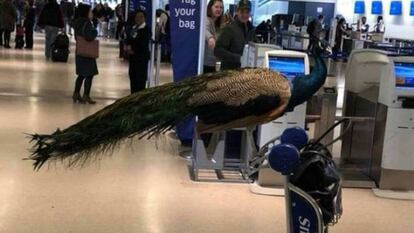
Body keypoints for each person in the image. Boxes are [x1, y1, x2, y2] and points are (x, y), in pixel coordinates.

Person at [214, 0, 256, 70]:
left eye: (247, 12)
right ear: (237, 12)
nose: (245, 15)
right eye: (242, 12)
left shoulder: (251, 30)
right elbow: (218, 51)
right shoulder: (229, 29)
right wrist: (238, 58)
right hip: (229, 74)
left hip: (245, 73)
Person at [72, 3, 99, 104]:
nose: (91, 13)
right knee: (89, 74)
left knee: (81, 74)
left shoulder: (77, 22)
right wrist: (95, 32)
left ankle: (76, 93)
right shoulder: (87, 23)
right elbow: (89, 36)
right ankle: (86, 95)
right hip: (87, 53)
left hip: (80, 51)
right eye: (90, 11)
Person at [127, 10, 151, 94]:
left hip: (141, 58)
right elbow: (129, 39)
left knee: (140, 79)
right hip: (133, 59)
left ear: (144, 18)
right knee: (132, 77)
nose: (138, 19)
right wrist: (128, 46)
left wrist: (133, 49)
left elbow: (143, 44)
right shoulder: (134, 28)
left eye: (141, 17)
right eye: (137, 17)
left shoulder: (146, 30)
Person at [204, 0, 224, 74]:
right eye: (216, 7)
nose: (219, 9)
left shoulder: (216, 23)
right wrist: (210, 38)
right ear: (210, 7)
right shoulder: (206, 19)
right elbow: (205, 30)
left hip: (212, 62)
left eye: (221, 7)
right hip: (205, 63)